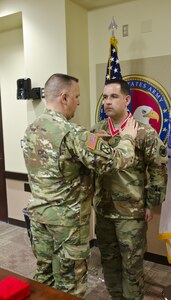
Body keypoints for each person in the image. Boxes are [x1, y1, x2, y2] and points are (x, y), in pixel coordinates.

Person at [21, 73, 138, 298]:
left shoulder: (32, 129)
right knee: (70, 287)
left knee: (44, 277)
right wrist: (128, 138)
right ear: (64, 97)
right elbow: (116, 161)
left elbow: (58, 162)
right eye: (76, 96)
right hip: (67, 226)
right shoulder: (74, 134)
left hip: (39, 220)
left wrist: (92, 138)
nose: (79, 102)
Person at [92, 78, 168, 300]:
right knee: (109, 259)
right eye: (105, 97)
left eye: (113, 97)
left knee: (132, 264)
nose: (107, 102)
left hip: (131, 213)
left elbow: (157, 169)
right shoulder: (97, 131)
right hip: (103, 210)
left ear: (126, 100)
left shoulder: (144, 132)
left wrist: (150, 204)